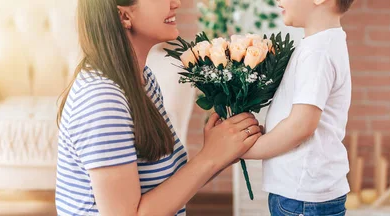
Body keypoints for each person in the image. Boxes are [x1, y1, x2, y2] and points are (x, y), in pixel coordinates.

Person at [54, 0, 261, 215]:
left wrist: (221, 153)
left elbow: (165, 186)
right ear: (124, 16)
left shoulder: (143, 80)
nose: (175, 3)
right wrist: (209, 157)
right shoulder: (102, 99)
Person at [241, 0, 355, 215]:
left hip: (302, 196)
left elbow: (301, 126)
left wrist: (245, 150)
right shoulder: (320, 44)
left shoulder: (318, 52)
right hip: (303, 192)